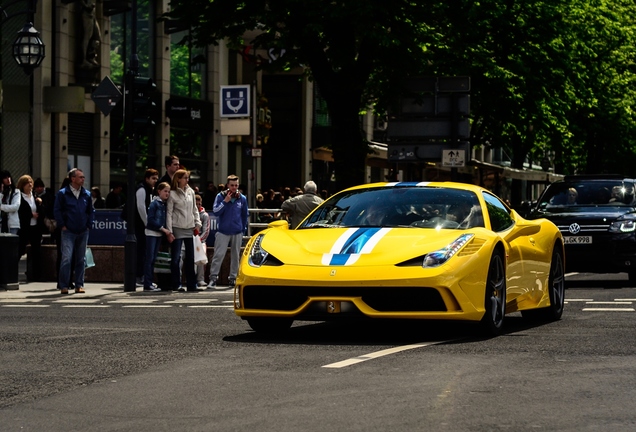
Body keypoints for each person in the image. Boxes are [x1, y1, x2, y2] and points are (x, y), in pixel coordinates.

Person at [54, 168, 95, 295]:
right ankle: (64, 285)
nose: (83, 179)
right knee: (66, 258)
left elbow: (91, 211)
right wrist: (62, 225)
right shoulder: (63, 193)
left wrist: (89, 224)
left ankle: (79, 285)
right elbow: (57, 210)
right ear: (73, 179)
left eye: (83, 177)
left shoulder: (86, 194)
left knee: (81, 259)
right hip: (68, 231)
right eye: (80, 177)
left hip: (83, 230)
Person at [207, 174, 249, 290]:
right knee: (218, 255)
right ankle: (213, 278)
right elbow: (216, 212)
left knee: (236, 256)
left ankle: (233, 278)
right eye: (232, 185)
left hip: (237, 231)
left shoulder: (242, 198)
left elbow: (244, 215)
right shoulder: (220, 196)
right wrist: (225, 201)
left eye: (236, 185)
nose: (234, 188)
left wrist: (243, 229)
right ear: (227, 185)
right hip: (223, 231)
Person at [166, 169, 201, 292]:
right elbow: (169, 213)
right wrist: (169, 231)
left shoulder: (190, 191)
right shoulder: (172, 193)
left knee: (191, 258)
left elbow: (194, 209)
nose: (187, 180)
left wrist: (197, 222)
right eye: (185, 178)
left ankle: (192, 284)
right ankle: (177, 284)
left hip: (189, 227)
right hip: (177, 227)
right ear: (178, 179)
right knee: (176, 258)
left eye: (187, 178)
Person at [143, 182, 173, 292]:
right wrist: (162, 228)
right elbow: (150, 220)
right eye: (165, 191)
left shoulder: (163, 204)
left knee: (153, 258)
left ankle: (150, 282)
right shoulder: (155, 203)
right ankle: (147, 283)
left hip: (158, 234)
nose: (167, 194)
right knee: (150, 258)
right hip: (152, 233)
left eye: (169, 192)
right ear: (159, 191)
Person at [17, 175, 44, 282]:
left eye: (30, 182)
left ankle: (36, 275)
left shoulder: (35, 196)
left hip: (35, 227)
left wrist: (40, 204)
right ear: (22, 185)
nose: (30, 184)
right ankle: (12, 273)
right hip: (24, 228)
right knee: (19, 250)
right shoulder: (19, 197)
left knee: (36, 251)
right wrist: (30, 214)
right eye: (27, 183)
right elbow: (20, 212)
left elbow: (41, 210)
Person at [135, 168, 159, 287]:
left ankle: (143, 276)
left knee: (145, 252)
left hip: (144, 225)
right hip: (140, 225)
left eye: (156, 178)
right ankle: (139, 276)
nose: (155, 181)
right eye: (153, 178)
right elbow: (141, 207)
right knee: (141, 251)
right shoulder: (142, 189)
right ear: (147, 178)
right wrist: (147, 223)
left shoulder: (150, 189)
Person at [195, 194, 211, 287]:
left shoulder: (204, 215)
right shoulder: (189, 213)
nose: (197, 206)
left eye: (199, 204)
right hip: (189, 239)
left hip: (201, 241)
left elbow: (206, 230)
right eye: (196, 204)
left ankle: (200, 279)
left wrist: (199, 240)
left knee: (201, 255)